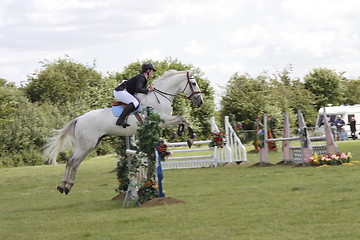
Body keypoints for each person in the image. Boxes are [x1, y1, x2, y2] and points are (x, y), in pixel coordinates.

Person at [113, 62, 156, 128]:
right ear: (148, 70)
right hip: (120, 91)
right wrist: (148, 89)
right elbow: (138, 89)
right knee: (134, 102)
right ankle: (120, 120)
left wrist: (147, 89)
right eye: (152, 71)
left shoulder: (142, 77)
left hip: (124, 91)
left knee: (136, 101)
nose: (152, 73)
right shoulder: (142, 77)